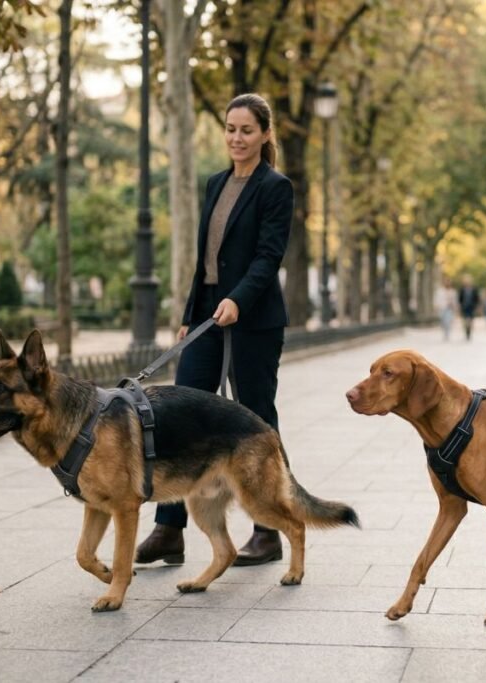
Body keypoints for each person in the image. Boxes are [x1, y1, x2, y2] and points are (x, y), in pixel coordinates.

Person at [136, 93, 293, 567]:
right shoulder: (215, 183)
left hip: (254, 322)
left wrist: (238, 299)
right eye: (230, 129)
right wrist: (191, 312)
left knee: (257, 420)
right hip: (207, 317)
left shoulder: (275, 187)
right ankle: (169, 529)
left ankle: (268, 532)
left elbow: (268, 256)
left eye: (247, 130)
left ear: (265, 134)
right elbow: (206, 259)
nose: (237, 138)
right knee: (178, 412)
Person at [457, 274, 480, 341]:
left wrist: (477, 307)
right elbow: (460, 299)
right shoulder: (462, 289)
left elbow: (477, 298)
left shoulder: (474, 289)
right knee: (465, 321)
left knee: (470, 321)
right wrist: (459, 307)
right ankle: (466, 332)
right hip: (464, 307)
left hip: (471, 307)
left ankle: (469, 332)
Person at [434, 277, 457, 341]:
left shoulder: (453, 291)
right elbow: (437, 299)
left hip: (449, 309)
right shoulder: (440, 291)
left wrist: (455, 307)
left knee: (448, 321)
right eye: (446, 282)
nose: (447, 283)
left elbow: (455, 301)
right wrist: (436, 306)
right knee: (443, 321)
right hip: (442, 308)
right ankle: (445, 331)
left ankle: (447, 334)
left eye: (449, 282)